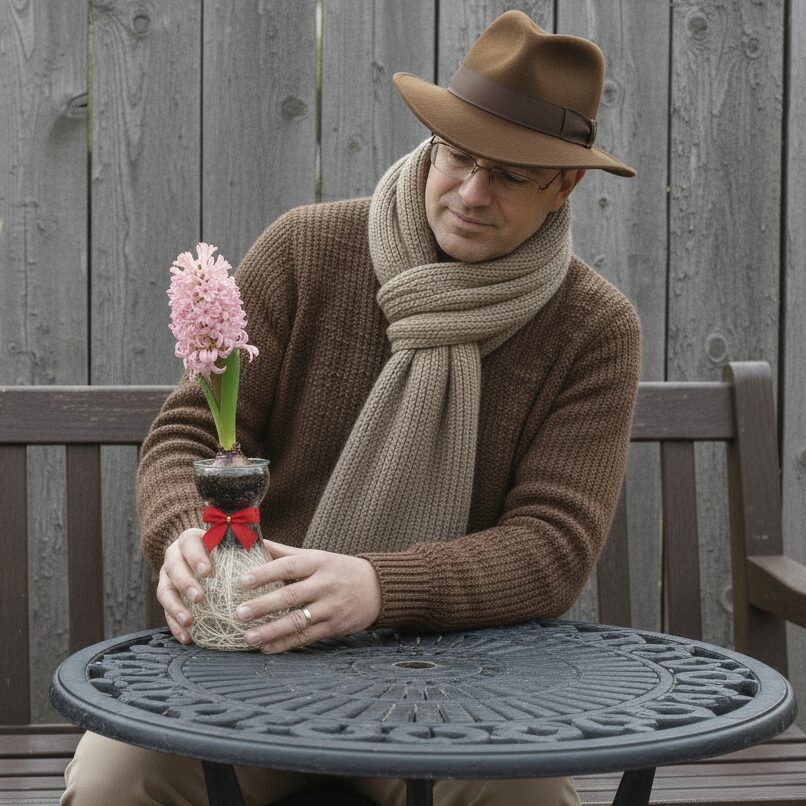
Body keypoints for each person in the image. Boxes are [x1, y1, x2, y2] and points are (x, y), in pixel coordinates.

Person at [62, 10, 640, 806]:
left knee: (527, 800)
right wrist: (181, 537)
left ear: (566, 183)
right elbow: (189, 429)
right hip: (249, 656)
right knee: (112, 779)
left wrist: (379, 587)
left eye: (509, 174)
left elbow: (553, 546)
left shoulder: (593, 329)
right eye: (459, 157)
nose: (472, 193)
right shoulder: (308, 249)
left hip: (454, 680)